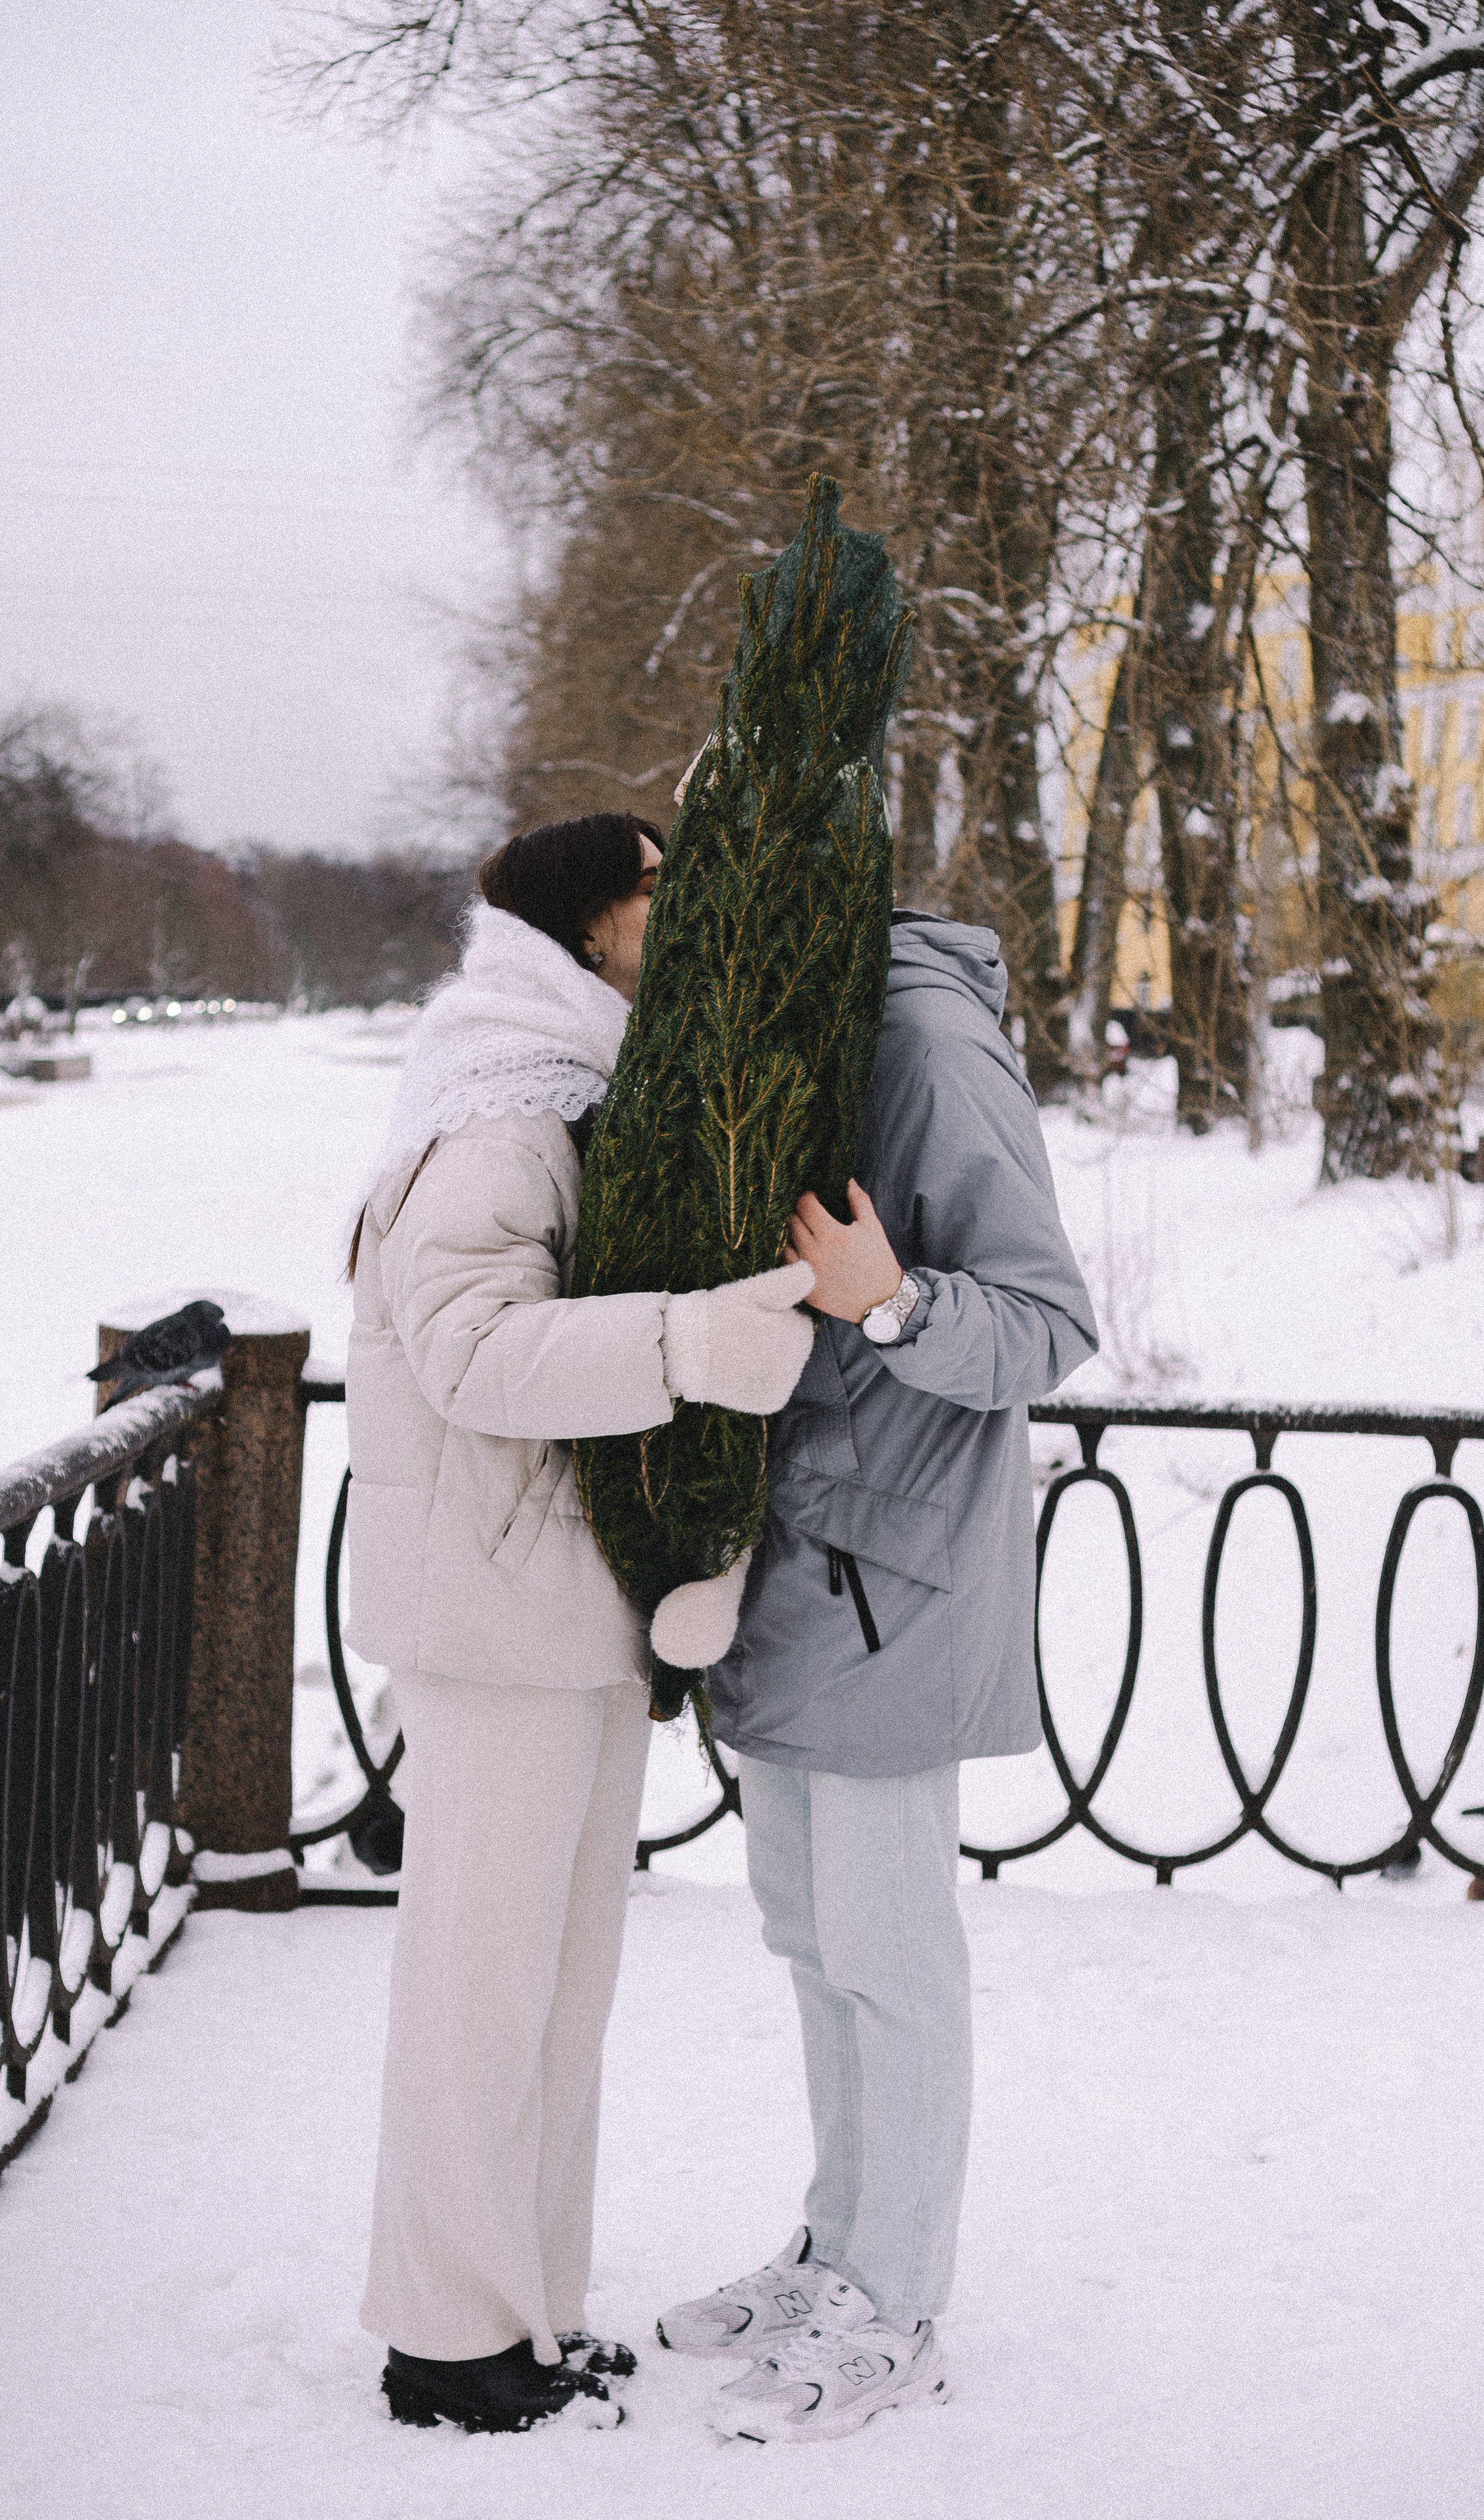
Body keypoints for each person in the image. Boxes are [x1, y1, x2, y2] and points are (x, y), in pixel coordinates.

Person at [345, 812, 816, 2436]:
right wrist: (690, 1345)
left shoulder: (563, 1085)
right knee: (484, 1987)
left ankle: (521, 2310)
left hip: (549, 1602)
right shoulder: (503, 1111)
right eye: (654, 896)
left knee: (551, 1986)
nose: (673, 921)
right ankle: (446, 2335)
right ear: (590, 927)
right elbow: (475, 1354)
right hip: (496, 1615)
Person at [659, 908, 1099, 2443]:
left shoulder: (918, 1037)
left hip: (890, 1580)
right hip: (796, 1566)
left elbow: (1048, 1322)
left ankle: (896, 2302)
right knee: (810, 1936)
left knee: (890, 1956)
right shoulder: (789, 1025)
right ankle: (838, 2249)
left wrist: (892, 1299)